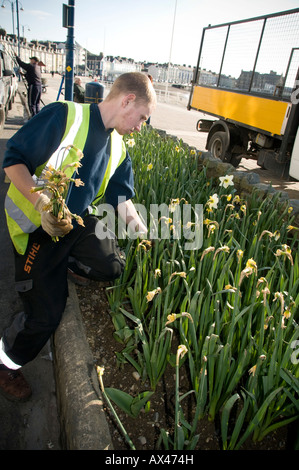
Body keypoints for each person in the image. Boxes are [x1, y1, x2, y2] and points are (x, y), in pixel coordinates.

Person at [0, 72, 156, 401]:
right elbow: (12, 163)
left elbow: (121, 199)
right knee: (45, 316)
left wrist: (144, 231)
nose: (142, 126)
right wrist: (42, 203)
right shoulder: (65, 116)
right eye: (142, 117)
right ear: (127, 100)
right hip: (35, 229)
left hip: (73, 222)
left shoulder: (117, 146)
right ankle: (6, 364)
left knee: (112, 263)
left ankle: (68, 263)